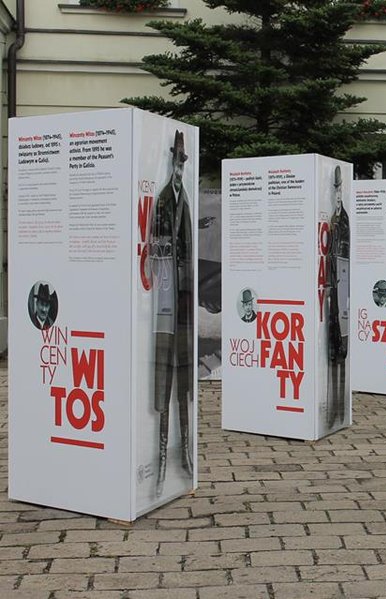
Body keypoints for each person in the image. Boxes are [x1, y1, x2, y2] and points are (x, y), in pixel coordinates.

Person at [150, 130, 194, 497]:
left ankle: (185, 451)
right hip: (165, 298)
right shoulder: (165, 199)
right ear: (173, 160)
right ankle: (162, 454)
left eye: (184, 160)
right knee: (164, 374)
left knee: (184, 376)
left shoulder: (185, 199)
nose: (181, 165)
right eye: (178, 159)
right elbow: (156, 247)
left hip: (182, 297)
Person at [326, 165, 350, 430]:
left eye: (340, 188)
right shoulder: (332, 220)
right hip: (332, 296)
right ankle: (334, 408)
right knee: (332, 353)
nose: (338, 194)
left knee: (342, 351)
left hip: (343, 297)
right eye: (336, 189)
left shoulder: (344, 221)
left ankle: (341, 407)